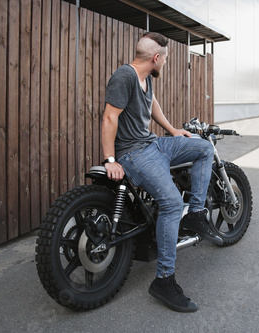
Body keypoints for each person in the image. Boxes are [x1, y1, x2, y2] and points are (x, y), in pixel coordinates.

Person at [101, 31, 223, 312]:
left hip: (154, 144)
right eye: (165, 59)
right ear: (156, 58)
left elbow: (151, 104)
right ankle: (164, 281)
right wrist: (110, 159)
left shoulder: (145, 79)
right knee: (170, 204)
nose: (165, 64)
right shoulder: (125, 76)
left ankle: (194, 214)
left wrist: (171, 131)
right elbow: (109, 117)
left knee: (203, 148)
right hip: (134, 153)